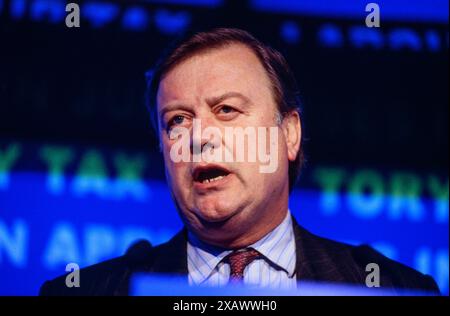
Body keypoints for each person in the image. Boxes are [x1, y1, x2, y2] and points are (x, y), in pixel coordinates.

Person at [39, 28, 440, 296]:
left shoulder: (392, 288)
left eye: (227, 109)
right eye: (176, 120)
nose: (199, 137)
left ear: (289, 134)